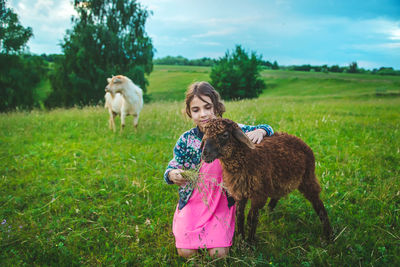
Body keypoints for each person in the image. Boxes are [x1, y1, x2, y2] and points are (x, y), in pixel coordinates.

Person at [164, 81, 274, 258]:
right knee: (186, 252)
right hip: (194, 201)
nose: (203, 114)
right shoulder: (186, 140)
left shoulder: (229, 129)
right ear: (189, 112)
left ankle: (220, 235)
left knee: (219, 254)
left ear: (216, 106)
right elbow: (175, 164)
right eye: (196, 110)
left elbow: (267, 128)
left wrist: (262, 130)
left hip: (220, 201)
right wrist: (171, 174)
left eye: (207, 107)